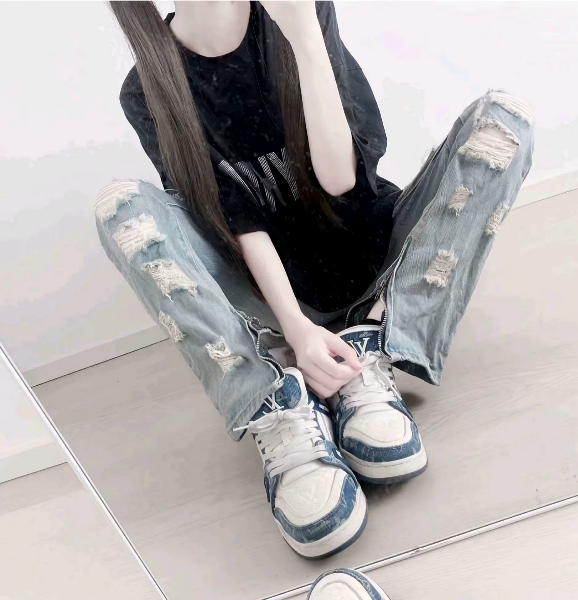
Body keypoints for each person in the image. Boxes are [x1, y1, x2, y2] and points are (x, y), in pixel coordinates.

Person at [95, 0, 534, 559]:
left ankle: (378, 340)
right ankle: (273, 399)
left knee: (503, 122)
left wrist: (303, 34)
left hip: (379, 263)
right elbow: (234, 220)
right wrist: (298, 329)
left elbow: (340, 179)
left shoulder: (300, 11)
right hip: (276, 304)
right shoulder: (146, 88)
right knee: (122, 208)